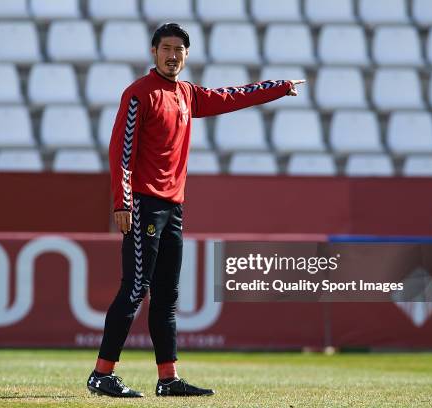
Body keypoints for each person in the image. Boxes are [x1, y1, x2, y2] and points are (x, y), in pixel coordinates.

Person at [86, 23, 305, 398]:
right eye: (166, 48)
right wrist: (122, 202)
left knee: (167, 295)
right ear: (153, 52)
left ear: (187, 56)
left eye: (179, 50)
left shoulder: (187, 94)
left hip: (173, 207)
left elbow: (230, 96)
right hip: (143, 204)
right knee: (136, 288)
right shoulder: (139, 93)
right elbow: (121, 151)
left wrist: (278, 87)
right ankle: (102, 374)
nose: (173, 55)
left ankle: (168, 378)